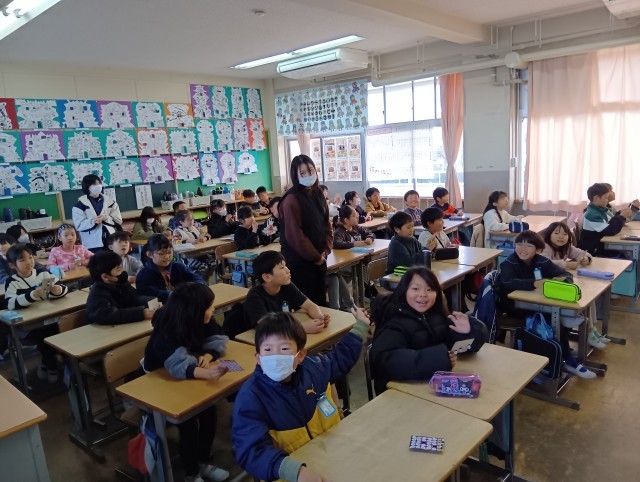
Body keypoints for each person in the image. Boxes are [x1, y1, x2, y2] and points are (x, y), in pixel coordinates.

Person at [232, 308, 371, 482]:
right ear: (258, 357)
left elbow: (340, 358)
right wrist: (295, 472)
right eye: (267, 349)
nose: (275, 356)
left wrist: (360, 326)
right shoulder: (251, 397)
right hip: (289, 475)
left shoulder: (314, 369)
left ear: (301, 355)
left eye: (284, 348)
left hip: (330, 457)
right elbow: (251, 451)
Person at [143, 283, 230, 482]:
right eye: (209, 306)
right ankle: (192, 473)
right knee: (187, 422)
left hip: (184, 376)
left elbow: (218, 339)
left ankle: (203, 461)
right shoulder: (168, 328)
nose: (213, 309)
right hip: (158, 382)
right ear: (195, 310)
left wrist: (208, 355)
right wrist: (207, 374)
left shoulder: (202, 318)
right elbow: (177, 366)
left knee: (208, 412)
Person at [370, 266, 487, 395]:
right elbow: (388, 361)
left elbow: (454, 343)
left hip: (428, 386)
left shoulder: (435, 315)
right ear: (404, 290)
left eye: (430, 289)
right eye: (416, 289)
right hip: (396, 392)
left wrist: (468, 332)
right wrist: (439, 359)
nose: (423, 294)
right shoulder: (393, 320)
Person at [496, 230, 596, 379]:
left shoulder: (541, 261)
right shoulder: (509, 262)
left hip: (535, 304)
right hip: (513, 307)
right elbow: (507, 282)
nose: (523, 249)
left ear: (538, 249)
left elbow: (566, 274)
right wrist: (533, 283)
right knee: (551, 317)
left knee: (553, 314)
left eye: (529, 246)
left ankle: (561, 353)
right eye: (519, 244)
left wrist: (560, 280)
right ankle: (566, 358)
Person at [5, 244, 69, 383]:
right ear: (12, 265)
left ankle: (49, 363)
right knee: (45, 335)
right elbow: (10, 303)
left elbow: (63, 288)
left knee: (60, 328)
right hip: (28, 326)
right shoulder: (12, 282)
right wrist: (31, 296)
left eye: (30, 257)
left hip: (49, 318)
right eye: (22, 260)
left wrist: (58, 291)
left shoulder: (43, 274)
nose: (29, 262)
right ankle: (52, 365)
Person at [279, 155, 333, 306]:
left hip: (320, 258)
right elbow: (295, 235)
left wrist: (326, 250)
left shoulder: (318, 193)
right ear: (295, 176)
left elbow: (326, 225)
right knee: (306, 305)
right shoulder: (291, 199)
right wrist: (315, 256)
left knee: (320, 301)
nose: (309, 175)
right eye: (303, 173)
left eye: (311, 170)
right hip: (300, 262)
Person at [542, 222, 606, 349]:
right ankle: (589, 332)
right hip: (547, 287)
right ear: (549, 235)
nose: (561, 237)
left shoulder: (567, 247)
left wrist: (586, 259)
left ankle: (592, 329)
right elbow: (545, 262)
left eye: (564, 234)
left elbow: (583, 253)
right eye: (556, 233)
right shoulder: (545, 247)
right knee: (583, 297)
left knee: (589, 297)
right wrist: (565, 264)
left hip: (560, 283)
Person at [243, 251, 330, 334]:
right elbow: (267, 327)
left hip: (287, 334)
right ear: (267, 277)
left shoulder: (286, 286)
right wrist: (301, 328)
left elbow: (310, 306)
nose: (288, 270)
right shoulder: (254, 296)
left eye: (285, 266)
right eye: (282, 268)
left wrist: (320, 318)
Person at [86, 251, 156, 325]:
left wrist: (152, 302)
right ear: (105, 277)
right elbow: (110, 315)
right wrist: (141, 313)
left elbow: (134, 298)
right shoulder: (97, 294)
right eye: (118, 269)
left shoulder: (121, 283)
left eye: (122, 267)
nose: (123, 272)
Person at [136, 234, 205, 302]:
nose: (167, 257)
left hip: (182, 303)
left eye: (169, 252)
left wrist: (199, 286)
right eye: (162, 254)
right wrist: (173, 294)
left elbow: (195, 278)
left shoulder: (178, 267)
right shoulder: (143, 275)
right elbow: (150, 293)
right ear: (150, 254)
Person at [333, 204, 377, 299]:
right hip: (346, 264)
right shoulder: (339, 232)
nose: (357, 216)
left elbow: (370, 233)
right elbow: (337, 244)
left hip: (358, 260)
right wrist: (353, 244)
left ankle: (369, 290)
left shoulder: (356, 227)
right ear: (346, 220)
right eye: (354, 215)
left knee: (365, 265)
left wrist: (369, 238)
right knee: (363, 267)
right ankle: (369, 291)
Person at [578, 183, 632, 256]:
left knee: (624, 253)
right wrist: (622, 216)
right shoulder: (592, 215)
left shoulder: (599, 210)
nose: (607, 200)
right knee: (624, 254)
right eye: (606, 198)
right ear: (596, 198)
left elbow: (610, 222)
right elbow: (610, 230)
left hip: (599, 245)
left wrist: (620, 214)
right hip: (593, 251)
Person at [72, 174, 122, 252]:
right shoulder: (79, 206)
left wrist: (106, 218)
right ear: (87, 186)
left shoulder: (111, 202)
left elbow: (118, 220)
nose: (98, 186)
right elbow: (79, 225)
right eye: (95, 184)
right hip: (92, 243)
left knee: (112, 259)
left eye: (99, 183)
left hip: (111, 240)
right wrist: (93, 221)